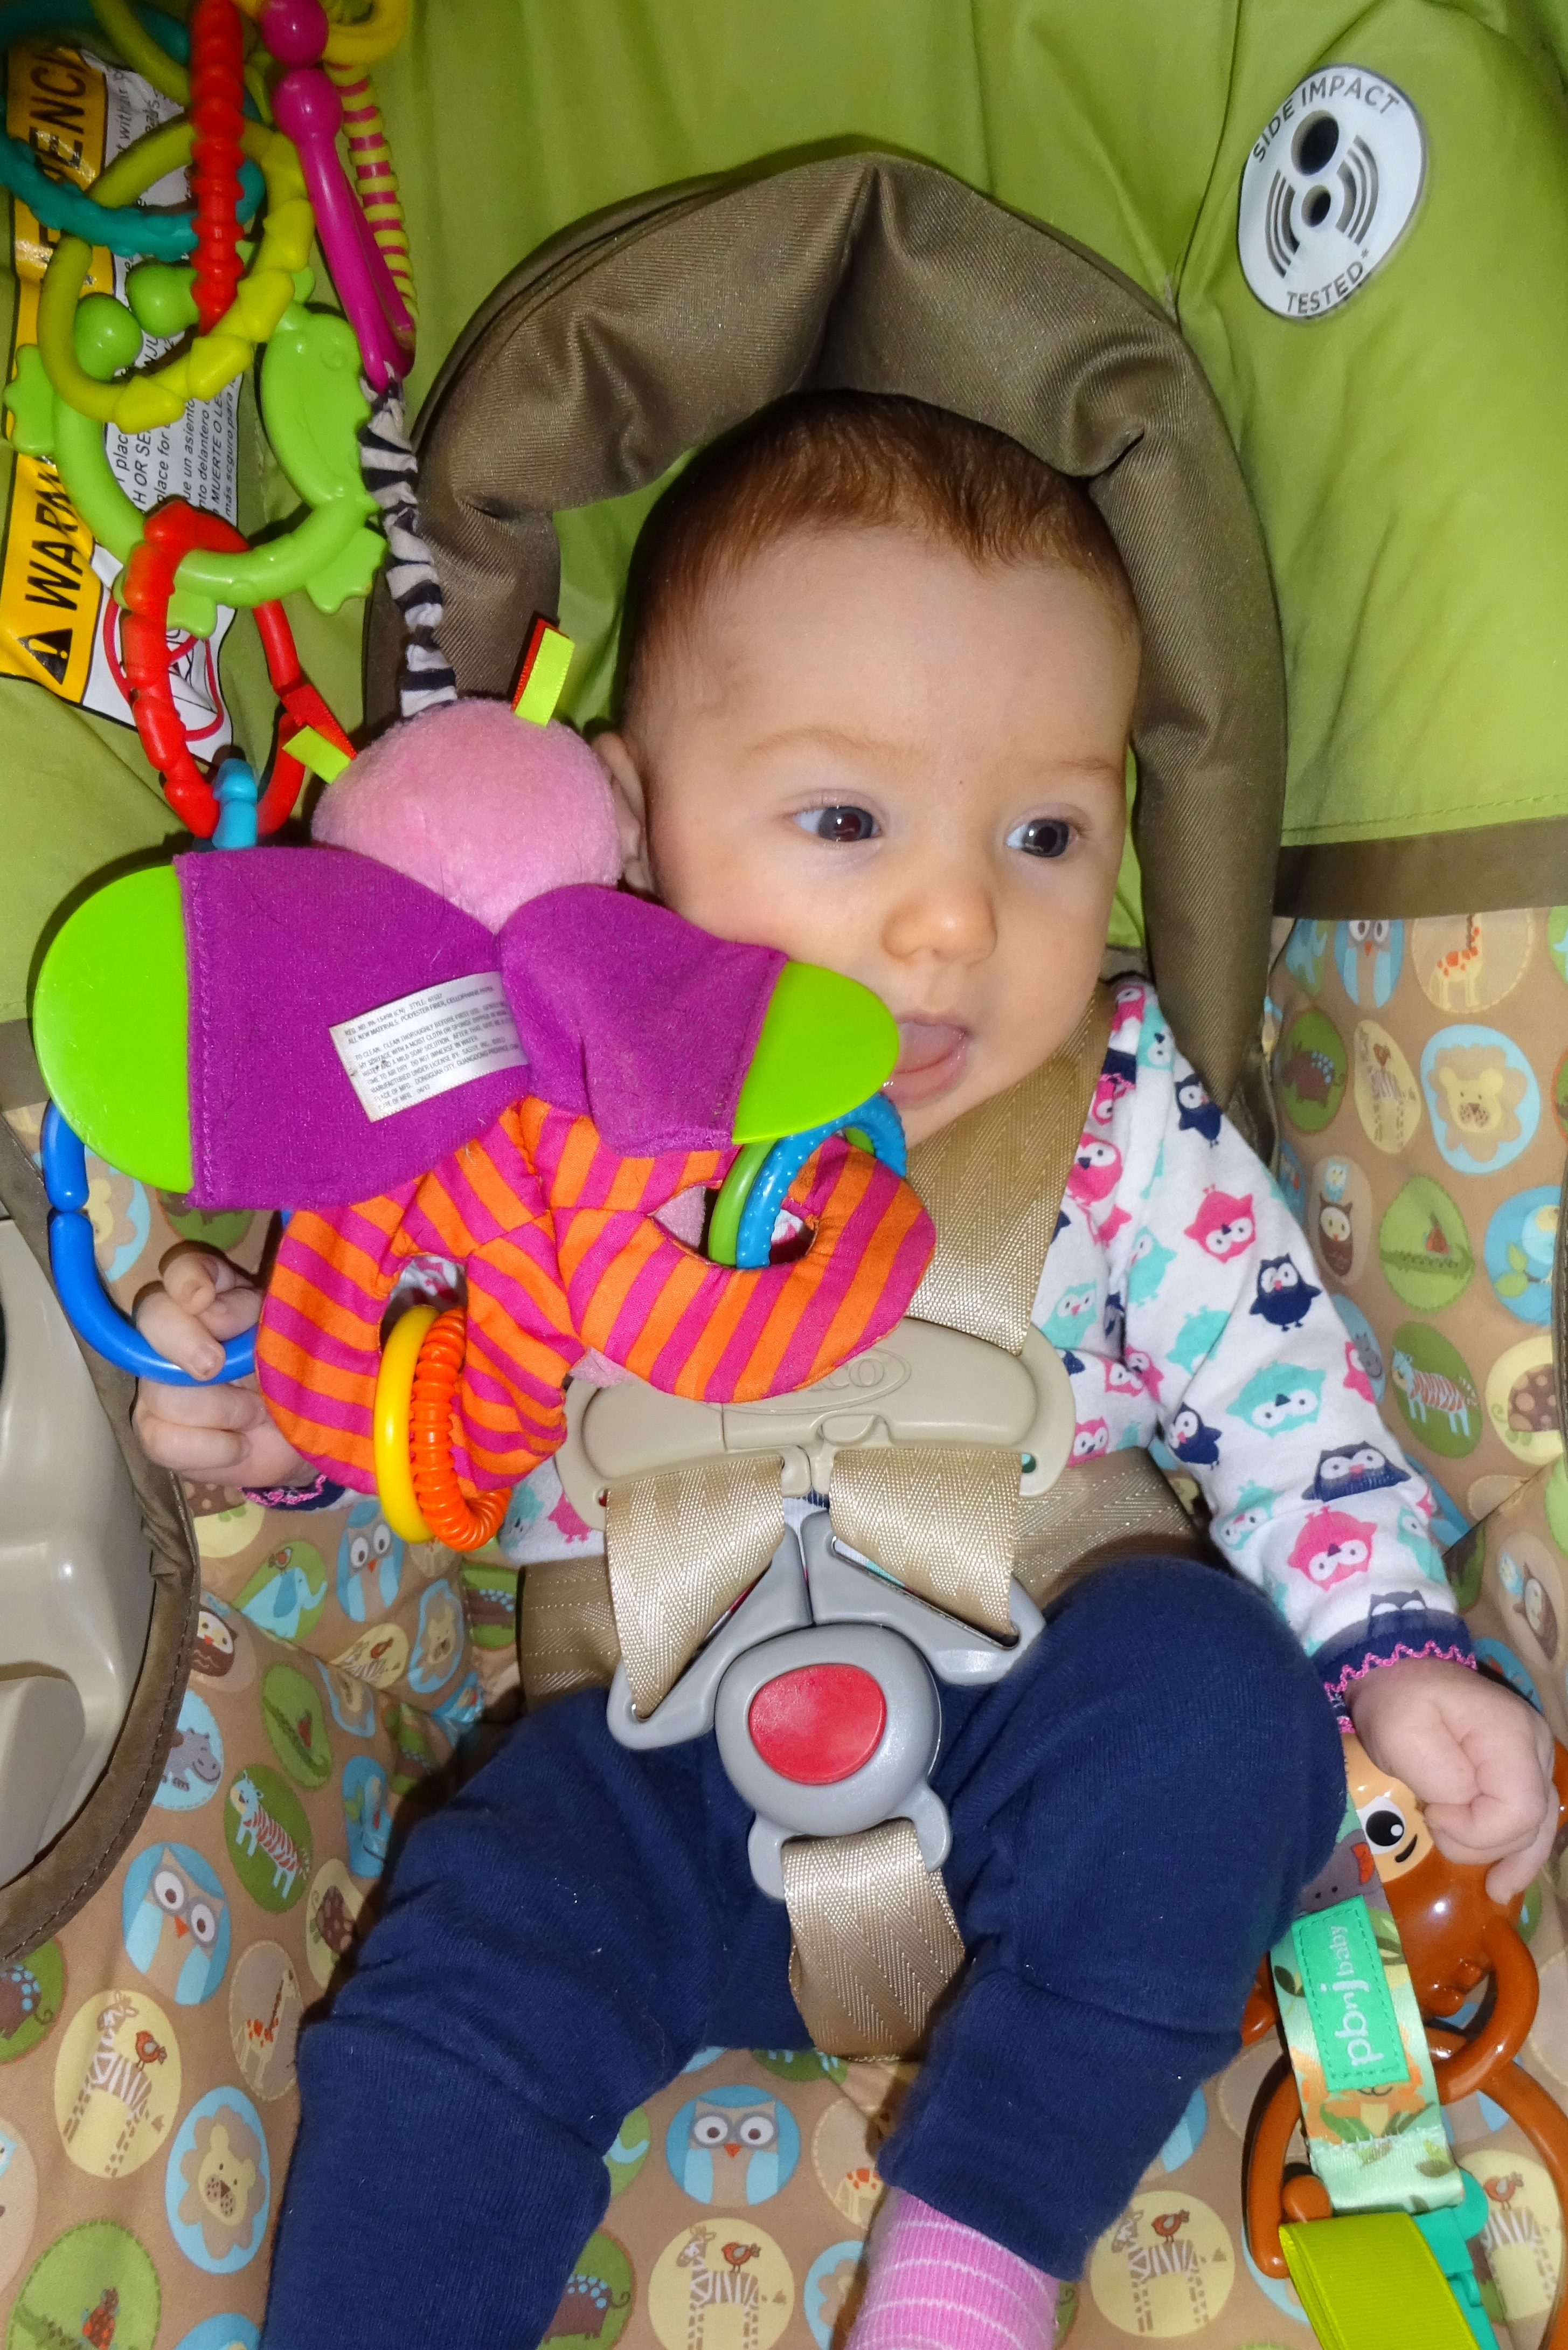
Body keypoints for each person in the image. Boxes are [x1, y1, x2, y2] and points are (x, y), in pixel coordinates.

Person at [134, 393, 1557, 2350]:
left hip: (1048, 1756)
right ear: (631, 824)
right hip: (651, 1784)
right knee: (463, 1957)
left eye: (1045, 835)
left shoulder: (1118, 1113)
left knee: (1217, 1706)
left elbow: (1281, 1403)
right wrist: (269, 1422)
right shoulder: (522, 1135)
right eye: (846, 821)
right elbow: (414, 1398)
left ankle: (968, 2269)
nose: (955, 918)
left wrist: (1388, 1651)